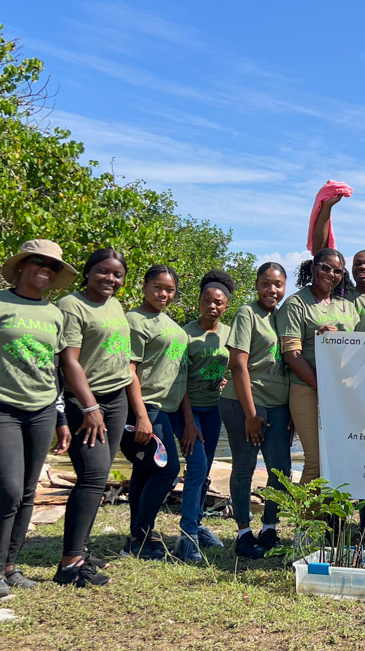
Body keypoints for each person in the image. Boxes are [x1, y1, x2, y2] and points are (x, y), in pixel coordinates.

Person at [0, 240, 75, 597]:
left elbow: (55, 371)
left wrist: (60, 418)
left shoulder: (55, 314)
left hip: (41, 409)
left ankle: (10, 566)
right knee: (7, 490)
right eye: (39, 262)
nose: (46, 269)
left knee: (26, 491)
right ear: (23, 265)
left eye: (53, 266)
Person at [54, 248, 133, 587]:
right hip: (86, 402)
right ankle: (70, 563)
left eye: (117, 275)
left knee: (98, 479)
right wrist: (89, 408)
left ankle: (81, 549)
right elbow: (69, 361)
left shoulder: (114, 305)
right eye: (103, 271)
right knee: (93, 474)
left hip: (117, 400)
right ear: (88, 272)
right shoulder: (71, 305)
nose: (110, 279)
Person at [120, 265, 196, 561]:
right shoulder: (134, 320)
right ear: (144, 286)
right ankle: (139, 537)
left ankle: (137, 539)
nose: (164, 294)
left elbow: (181, 374)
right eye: (158, 288)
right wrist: (140, 415)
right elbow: (129, 369)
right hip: (147, 407)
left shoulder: (171, 324)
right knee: (167, 471)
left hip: (169, 408)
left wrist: (188, 419)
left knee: (145, 470)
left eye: (170, 290)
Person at [220, 262, 293, 559]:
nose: (271, 290)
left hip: (278, 403)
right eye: (265, 283)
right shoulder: (247, 313)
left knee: (281, 469)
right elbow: (238, 364)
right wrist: (250, 414)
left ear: (285, 287)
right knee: (245, 466)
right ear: (256, 285)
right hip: (244, 401)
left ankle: (270, 528)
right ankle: (242, 533)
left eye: (277, 284)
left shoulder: (283, 317)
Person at [170, 270, 234, 562]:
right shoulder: (185, 334)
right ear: (198, 302)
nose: (213, 306)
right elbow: (179, 380)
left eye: (218, 302)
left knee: (204, 470)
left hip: (213, 408)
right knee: (195, 467)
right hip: (188, 408)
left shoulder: (230, 333)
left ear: (226, 306)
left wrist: (223, 380)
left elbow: (236, 366)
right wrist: (188, 424)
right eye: (207, 301)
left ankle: (197, 524)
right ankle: (187, 537)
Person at [280, 248, 359, 485]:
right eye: (325, 267)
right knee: (315, 462)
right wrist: (322, 388)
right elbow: (291, 355)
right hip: (307, 389)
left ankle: (328, 520)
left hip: (341, 391)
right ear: (313, 268)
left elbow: (358, 348)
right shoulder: (296, 304)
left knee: (335, 459)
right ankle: (304, 520)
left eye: (338, 271)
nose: (331, 274)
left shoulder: (348, 307)